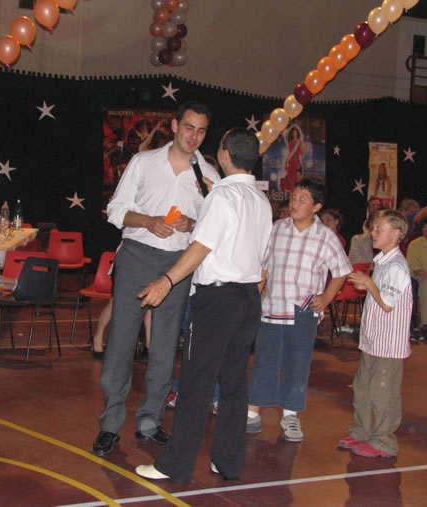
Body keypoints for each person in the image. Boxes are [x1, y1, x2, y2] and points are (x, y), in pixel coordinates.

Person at [135, 127, 273, 482]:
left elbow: (201, 247)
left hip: (217, 301)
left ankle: (174, 465)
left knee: (196, 384)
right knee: (233, 384)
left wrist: (166, 281)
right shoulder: (260, 200)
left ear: (224, 154)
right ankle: (227, 462)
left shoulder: (222, 198)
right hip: (247, 299)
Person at [91, 101, 220, 457]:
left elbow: (215, 224)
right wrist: (148, 221)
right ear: (175, 126)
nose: (194, 136)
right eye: (189, 127)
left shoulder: (208, 174)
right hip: (137, 255)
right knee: (121, 341)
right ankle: (110, 425)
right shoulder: (143, 162)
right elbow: (115, 210)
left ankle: (150, 421)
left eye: (201, 131)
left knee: (164, 346)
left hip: (178, 263)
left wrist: (191, 224)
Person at [246, 175, 352, 441]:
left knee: (297, 365)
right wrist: (254, 299)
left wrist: (326, 298)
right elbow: (264, 268)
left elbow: (341, 271)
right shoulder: (277, 229)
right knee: (265, 361)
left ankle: (290, 416)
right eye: (293, 197)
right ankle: (252, 413)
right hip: (271, 308)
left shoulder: (325, 237)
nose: (294, 202)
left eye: (303, 199)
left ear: (316, 207)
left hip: (303, 311)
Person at [338, 209, 412, 458]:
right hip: (373, 340)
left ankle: (383, 441)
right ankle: (362, 430)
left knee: (383, 393)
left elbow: (388, 304)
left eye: (380, 228)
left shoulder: (397, 266)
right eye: (373, 227)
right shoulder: (381, 261)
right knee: (362, 387)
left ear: (397, 233)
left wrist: (369, 284)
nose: (373, 232)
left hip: (388, 345)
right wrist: (368, 285)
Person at [279, 125, 306, 194]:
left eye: (296, 133)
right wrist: (286, 163)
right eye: (293, 133)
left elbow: (301, 153)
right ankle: (291, 195)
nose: (294, 134)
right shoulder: (290, 142)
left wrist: (304, 147)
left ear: (298, 133)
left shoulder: (299, 142)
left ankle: (297, 194)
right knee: (290, 181)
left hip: (297, 163)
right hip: (290, 163)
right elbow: (288, 153)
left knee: (297, 181)